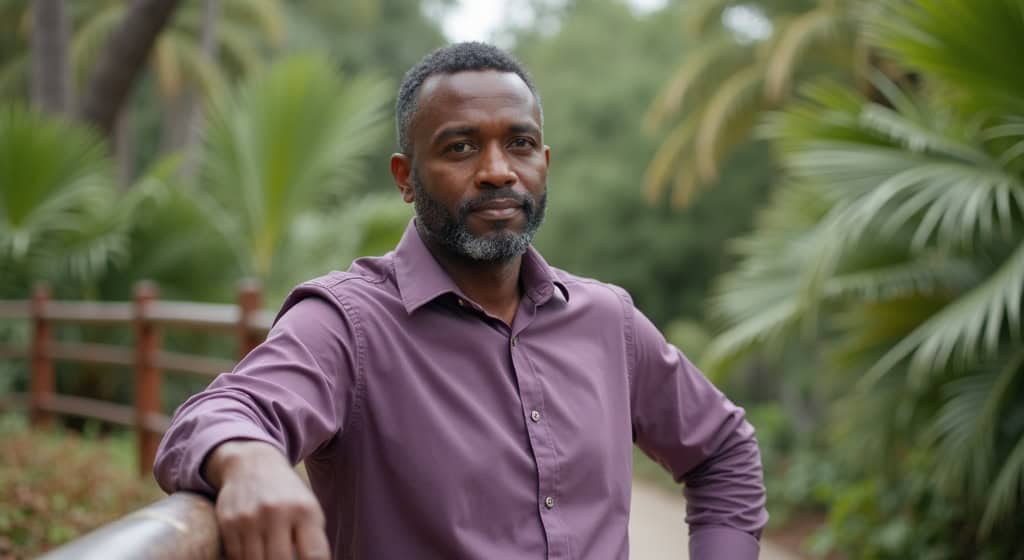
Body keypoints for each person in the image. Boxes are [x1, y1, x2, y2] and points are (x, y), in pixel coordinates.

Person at [154, 42, 767, 560]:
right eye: (460, 147)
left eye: (520, 144)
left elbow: (723, 449)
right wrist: (248, 460)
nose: (498, 170)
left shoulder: (607, 320)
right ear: (404, 177)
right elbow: (220, 412)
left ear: (544, 164)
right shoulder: (349, 325)